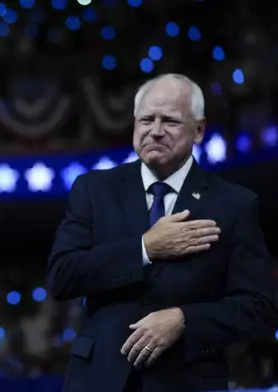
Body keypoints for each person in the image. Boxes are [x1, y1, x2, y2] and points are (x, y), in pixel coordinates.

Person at [46, 73, 278, 392]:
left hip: (188, 381)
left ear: (198, 130)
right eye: (146, 120)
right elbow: (61, 276)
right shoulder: (93, 189)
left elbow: (259, 309)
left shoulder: (234, 204)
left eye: (169, 121)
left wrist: (184, 320)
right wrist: (144, 248)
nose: (155, 131)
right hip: (99, 380)